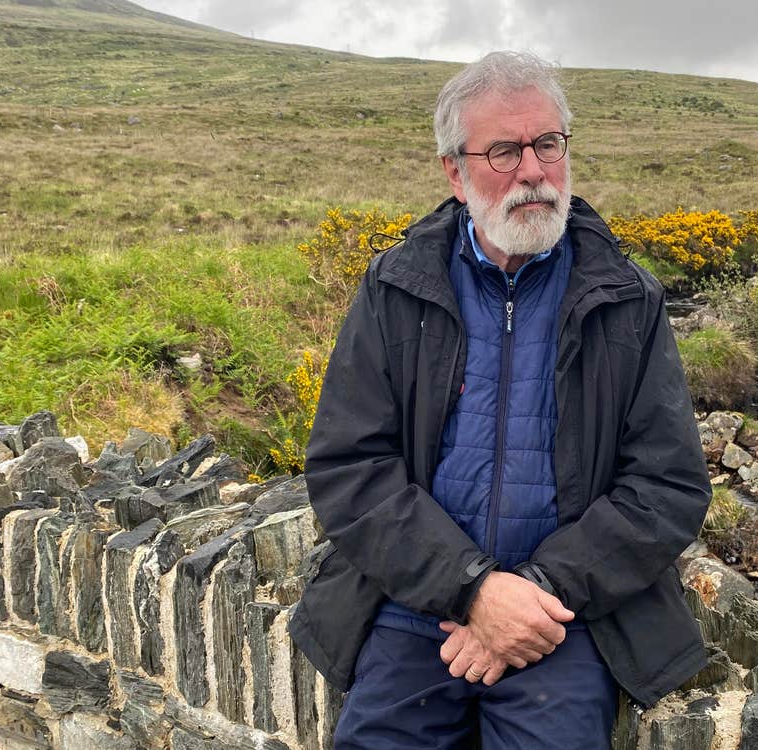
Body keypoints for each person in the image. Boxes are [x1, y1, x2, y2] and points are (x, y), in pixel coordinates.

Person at [289, 50, 711, 749]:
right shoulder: (396, 288)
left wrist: (538, 590)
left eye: (548, 143)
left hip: (565, 619)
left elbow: (668, 486)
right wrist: (472, 591)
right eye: (505, 151)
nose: (534, 170)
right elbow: (348, 466)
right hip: (414, 606)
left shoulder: (626, 298)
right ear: (456, 173)